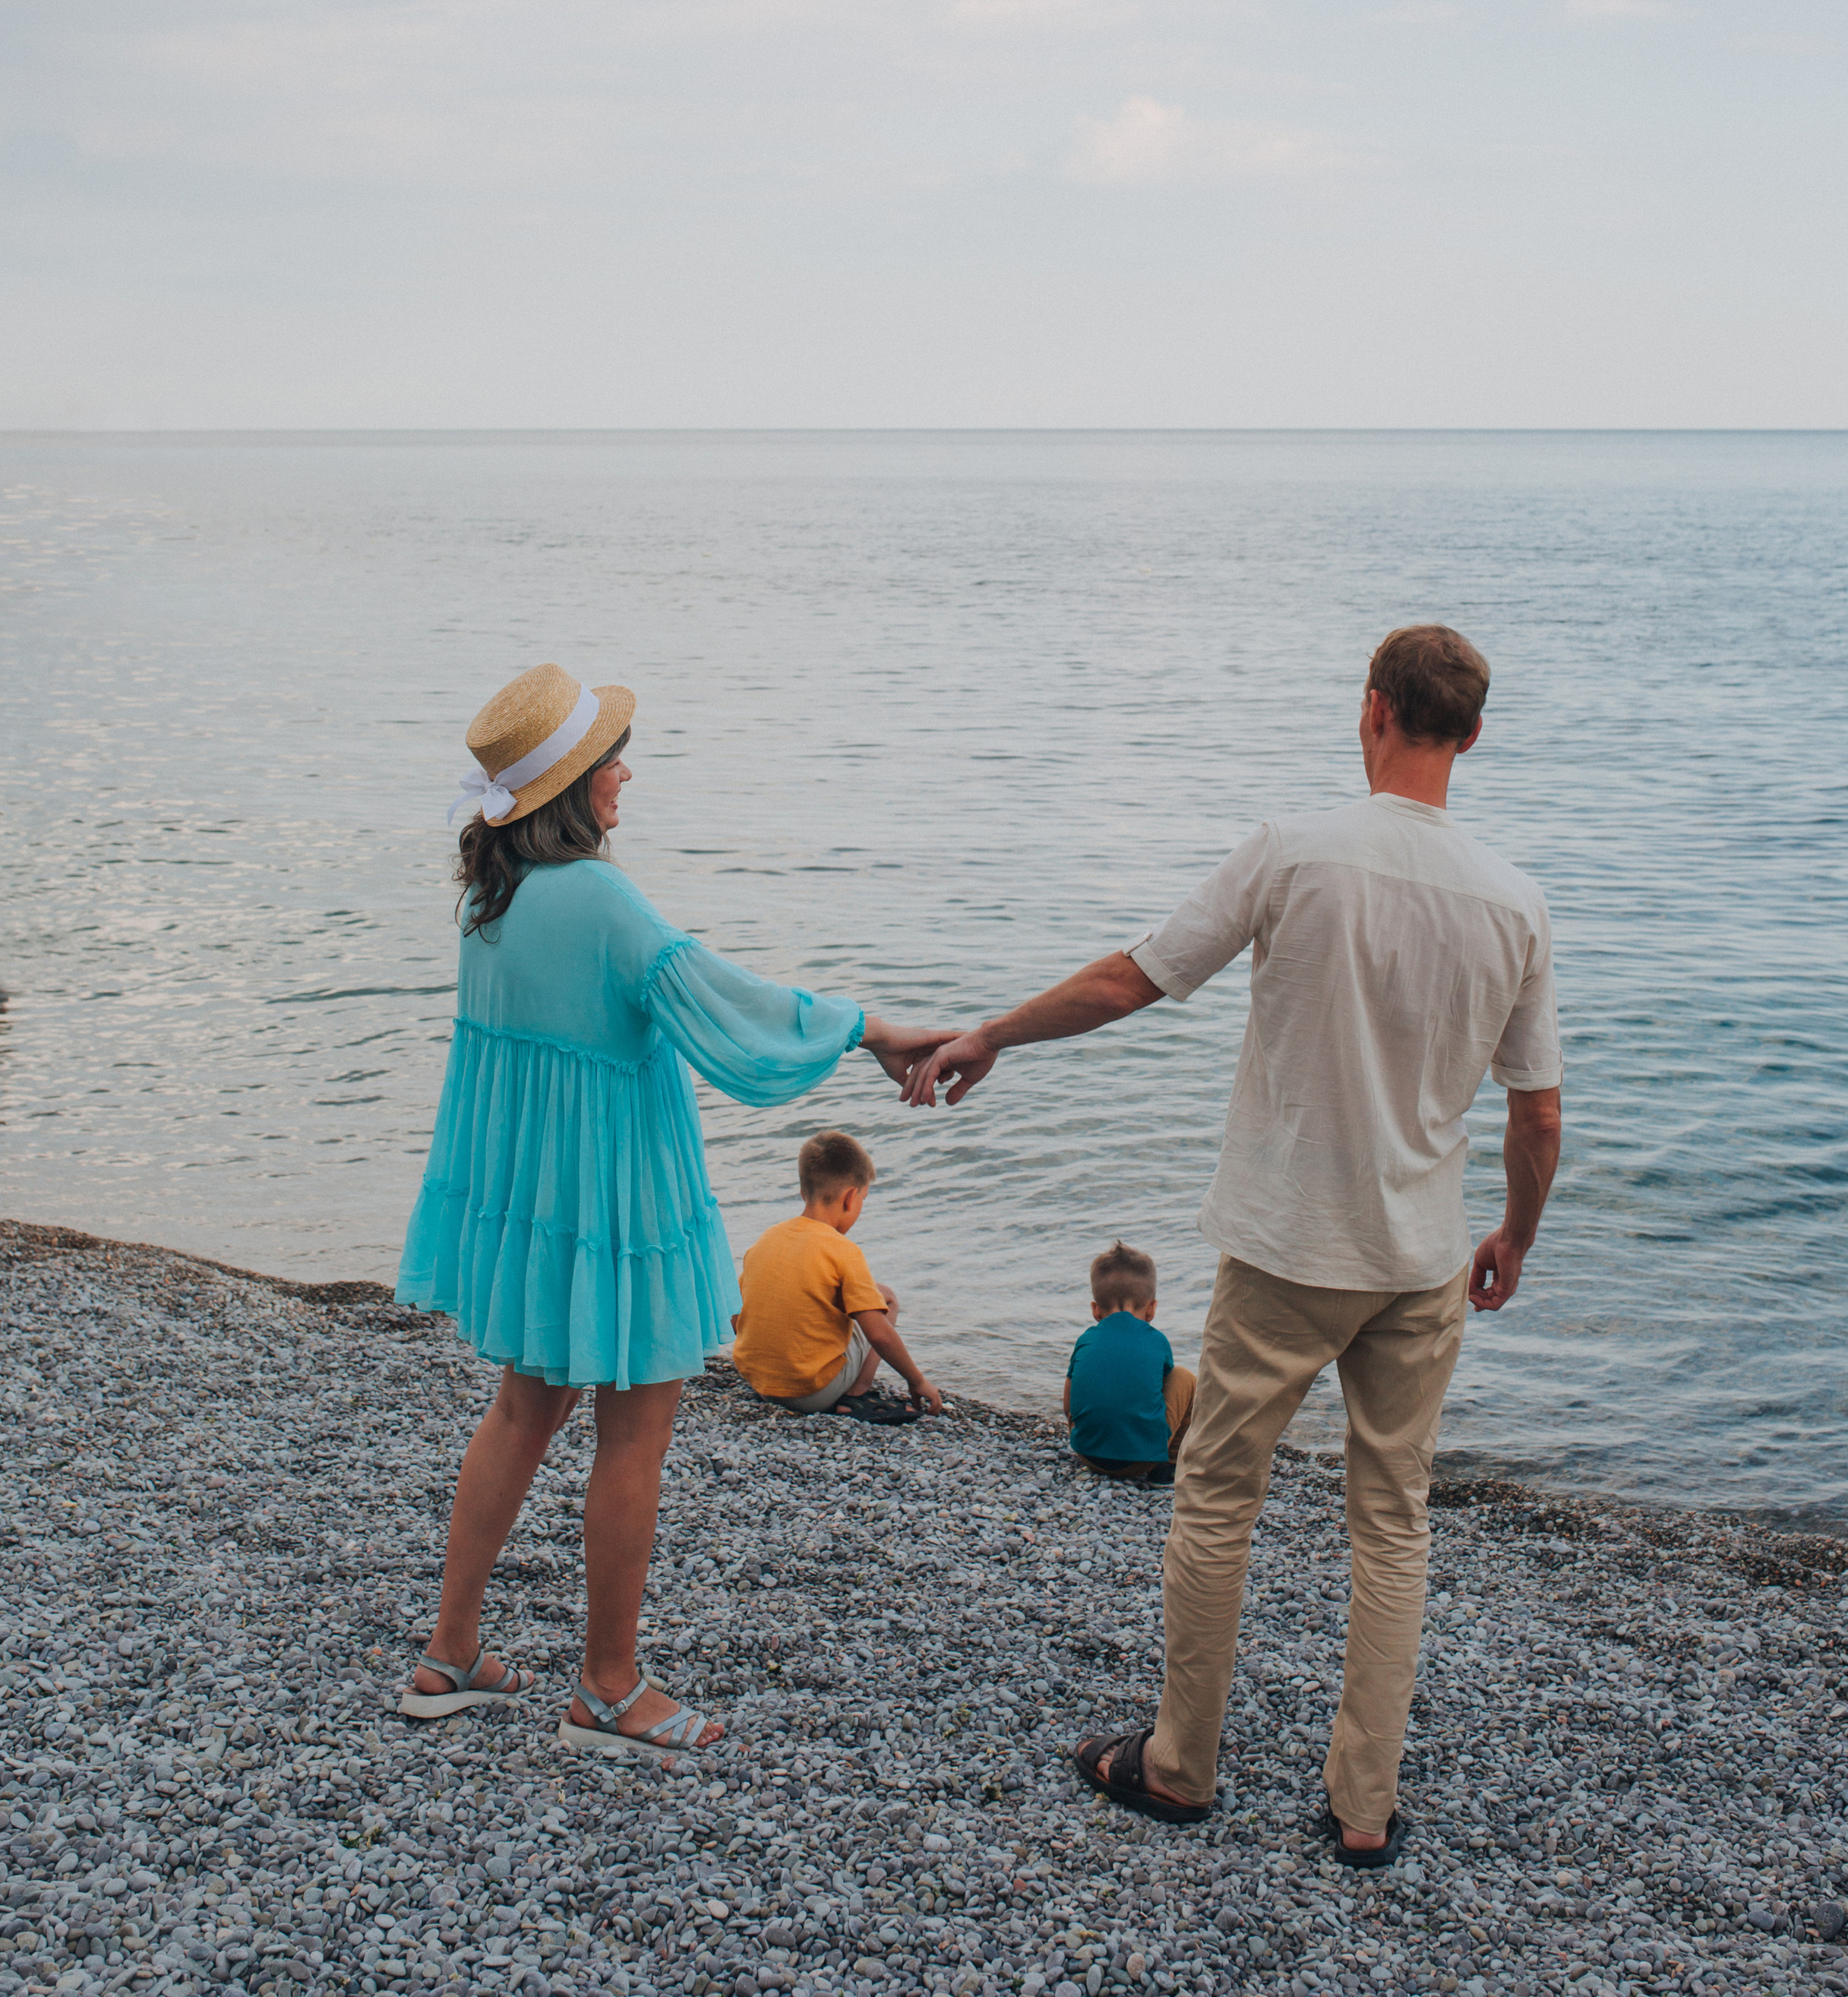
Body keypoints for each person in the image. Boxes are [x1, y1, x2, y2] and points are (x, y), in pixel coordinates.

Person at [903, 623, 1562, 1863]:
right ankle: (1364, 1812)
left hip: (1285, 1249)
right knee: (1395, 1520)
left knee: (1218, 1499)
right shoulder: (1514, 902)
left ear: (1370, 710)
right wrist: (1513, 1240)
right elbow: (1538, 1113)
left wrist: (993, 1033)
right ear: (1470, 736)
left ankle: (1182, 1768)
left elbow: (1131, 982)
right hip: (1421, 1260)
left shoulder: (1295, 852)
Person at [393, 663, 952, 1759]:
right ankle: (607, 1691)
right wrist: (868, 1030)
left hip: (534, 1204)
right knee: (634, 1437)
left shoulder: (485, 898)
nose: (625, 774)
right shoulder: (598, 897)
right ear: (571, 785)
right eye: (612, 761)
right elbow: (722, 1004)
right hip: (617, 1201)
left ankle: (449, 1655)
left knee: (520, 1412)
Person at [732, 1128, 944, 1422]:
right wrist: (917, 1381)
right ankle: (857, 1394)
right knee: (886, 1300)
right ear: (850, 1198)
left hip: (760, 1383)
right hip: (811, 1394)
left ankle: (781, 1372)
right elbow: (880, 1336)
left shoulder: (768, 1239)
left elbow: (736, 1314)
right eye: (863, 1200)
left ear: (804, 1191)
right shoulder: (842, 1250)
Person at [1065, 1239, 1196, 1484]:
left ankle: (1098, 1439)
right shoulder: (1158, 1341)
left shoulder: (1085, 1340)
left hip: (1087, 1454)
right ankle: (1168, 1466)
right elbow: (1162, 1385)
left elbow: (1067, 1404)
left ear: (1095, 1310)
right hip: (1140, 1461)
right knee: (1184, 1377)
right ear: (1152, 1309)